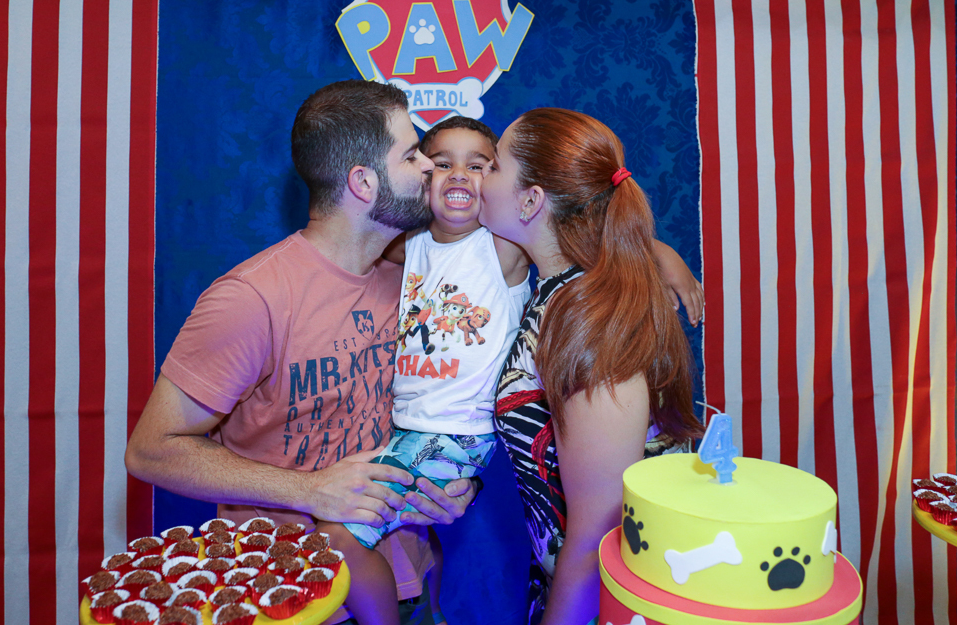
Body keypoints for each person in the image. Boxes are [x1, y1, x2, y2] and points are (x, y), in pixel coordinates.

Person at [124, 80, 477, 623]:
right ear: (363, 182)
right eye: (410, 155)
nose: (429, 166)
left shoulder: (415, 276)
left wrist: (458, 484)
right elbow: (151, 450)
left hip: (411, 575)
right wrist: (310, 491)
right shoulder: (252, 298)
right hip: (294, 597)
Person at [479, 108, 705, 625]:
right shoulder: (564, 291)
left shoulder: (587, 322)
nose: (479, 178)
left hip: (603, 603)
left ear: (531, 201)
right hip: (567, 587)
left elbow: (597, 536)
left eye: (493, 165)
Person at [318, 117, 532, 625]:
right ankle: (430, 611)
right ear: (422, 177)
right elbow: (357, 224)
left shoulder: (502, 248)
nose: (459, 174)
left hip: (456, 432)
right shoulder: (409, 246)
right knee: (413, 532)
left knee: (338, 533)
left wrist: (660, 256)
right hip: (410, 427)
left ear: (499, 181)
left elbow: (581, 229)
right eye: (442, 163)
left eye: (478, 166)